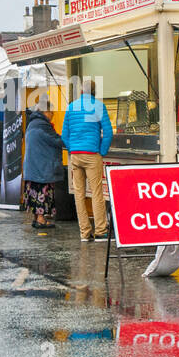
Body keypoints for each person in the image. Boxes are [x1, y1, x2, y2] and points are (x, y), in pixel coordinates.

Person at [62, 78, 113, 242]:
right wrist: (102, 151)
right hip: (92, 154)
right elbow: (108, 132)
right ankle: (100, 231)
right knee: (97, 193)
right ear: (94, 92)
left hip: (75, 155)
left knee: (79, 194)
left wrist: (72, 148)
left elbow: (64, 135)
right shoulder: (99, 106)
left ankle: (84, 232)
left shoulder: (71, 107)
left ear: (81, 91)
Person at [23, 103, 64, 229]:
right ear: (46, 112)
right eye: (52, 113)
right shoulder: (43, 126)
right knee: (42, 193)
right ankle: (41, 219)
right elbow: (57, 141)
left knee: (34, 192)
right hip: (42, 168)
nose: (52, 115)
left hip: (32, 167)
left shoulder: (32, 123)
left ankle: (36, 218)